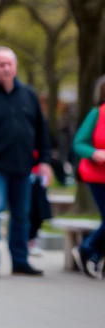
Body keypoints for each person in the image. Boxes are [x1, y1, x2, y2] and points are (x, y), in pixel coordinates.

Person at [0, 47, 54, 277]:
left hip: (23, 166)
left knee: (22, 214)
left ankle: (20, 260)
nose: (6, 68)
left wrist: (45, 160)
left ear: (15, 66)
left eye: (9, 64)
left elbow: (42, 130)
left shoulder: (28, 95)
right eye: (0, 64)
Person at [71, 75, 105, 279]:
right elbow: (78, 143)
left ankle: (91, 253)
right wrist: (95, 153)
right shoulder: (96, 114)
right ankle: (88, 248)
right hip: (97, 175)